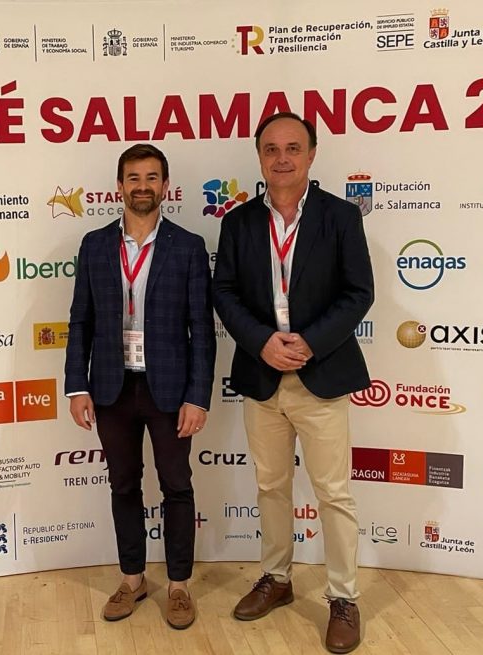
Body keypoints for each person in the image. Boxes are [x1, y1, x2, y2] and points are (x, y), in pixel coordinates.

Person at [212, 112, 374, 654]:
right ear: (259, 156)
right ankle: (277, 579)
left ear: (311, 154)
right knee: (271, 487)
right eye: (271, 149)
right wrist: (262, 341)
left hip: (320, 375)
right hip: (262, 376)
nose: (282, 158)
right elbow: (224, 292)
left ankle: (343, 597)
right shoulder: (237, 223)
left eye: (293, 148)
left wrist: (310, 342)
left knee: (333, 493)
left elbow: (358, 292)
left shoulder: (340, 216)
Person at [65, 144, 215, 630]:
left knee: (176, 486)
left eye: (152, 177)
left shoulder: (188, 246)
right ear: (120, 187)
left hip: (169, 390)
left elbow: (201, 327)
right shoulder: (94, 245)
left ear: (165, 186)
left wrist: (197, 395)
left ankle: (178, 585)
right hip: (111, 388)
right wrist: (76, 385)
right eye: (134, 178)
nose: (143, 186)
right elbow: (81, 320)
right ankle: (132, 579)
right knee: (123, 484)